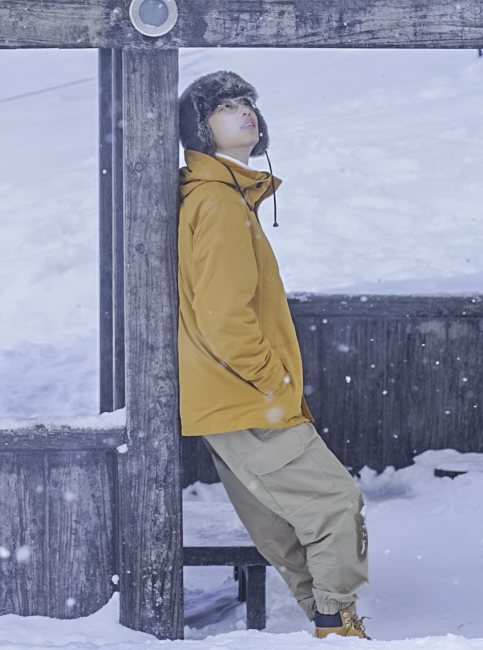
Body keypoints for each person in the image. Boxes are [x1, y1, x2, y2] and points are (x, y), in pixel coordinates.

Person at [177, 71, 371, 639]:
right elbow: (223, 315)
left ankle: (330, 622)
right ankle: (337, 617)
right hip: (245, 395)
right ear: (199, 127)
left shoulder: (217, 194)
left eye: (248, 103)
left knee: (279, 523)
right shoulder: (218, 202)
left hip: (224, 399)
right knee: (335, 502)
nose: (245, 113)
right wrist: (273, 381)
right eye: (226, 107)